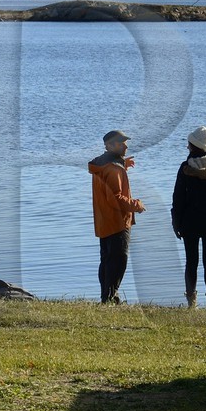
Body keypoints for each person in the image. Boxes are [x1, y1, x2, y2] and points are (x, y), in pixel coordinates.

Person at [169, 125, 206, 309]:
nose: (187, 147)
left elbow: (178, 197)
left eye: (189, 144)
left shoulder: (186, 167)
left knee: (191, 262)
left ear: (194, 146)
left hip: (190, 221)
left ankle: (191, 302)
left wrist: (176, 221)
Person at [88, 129, 145, 304]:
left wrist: (123, 165)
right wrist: (137, 205)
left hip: (104, 220)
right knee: (119, 260)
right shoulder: (113, 169)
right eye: (121, 143)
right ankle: (110, 297)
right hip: (117, 221)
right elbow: (117, 198)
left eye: (125, 142)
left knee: (106, 259)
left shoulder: (103, 164)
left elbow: (110, 181)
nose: (125, 145)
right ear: (109, 145)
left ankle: (108, 296)